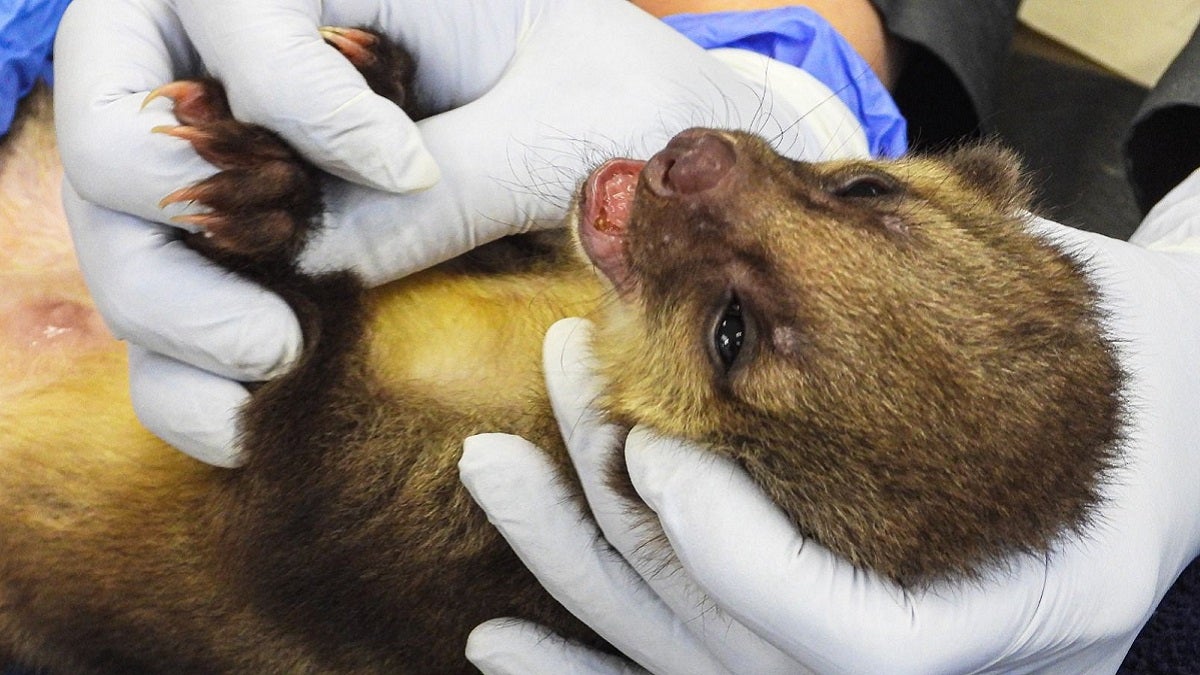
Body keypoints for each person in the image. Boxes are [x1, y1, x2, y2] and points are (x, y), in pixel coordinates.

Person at [51, 0, 1200, 672]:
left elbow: (291, 487)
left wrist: (286, 193)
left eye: (735, 331)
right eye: (857, 194)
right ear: (973, 183)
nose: (714, 174)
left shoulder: (533, 515)